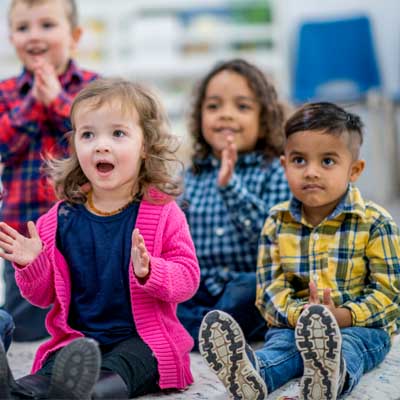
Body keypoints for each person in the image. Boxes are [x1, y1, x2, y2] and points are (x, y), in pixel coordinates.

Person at [0, 78, 200, 399]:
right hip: (78, 341)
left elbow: (188, 279)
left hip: (142, 341)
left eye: (118, 133)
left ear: (145, 145)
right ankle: (15, 391)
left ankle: (85, 393)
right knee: (48, 373)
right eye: (88, 134)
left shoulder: (163, 212)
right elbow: (42, 296)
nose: (100, 145)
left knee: (123, 368)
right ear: (75, 144)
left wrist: (151, 271)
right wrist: (31, 265)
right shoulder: (58, 219)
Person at [198, 102, 400, 399]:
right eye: (299, 161)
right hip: (294, 325)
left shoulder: (375, 222)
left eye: (328, 161)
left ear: (354, 170)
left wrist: (341, 316)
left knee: (352, 346)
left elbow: (390, 294)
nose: (311, 172)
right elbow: (269, 290)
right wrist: (302, 317)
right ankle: (253, 374)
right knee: (282, 348)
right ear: (285, 166)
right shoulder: (276, 222)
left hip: (361, 327)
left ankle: (334, 374)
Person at [0, 0, 98, 342]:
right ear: (12, 38)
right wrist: (33, 105)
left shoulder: (94, 90)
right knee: (25, 321)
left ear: (74, 36)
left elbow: (95, 143)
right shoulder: (6, 93)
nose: (34, 36)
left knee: (85, 315)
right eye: (23, 27)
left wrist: (58, 101)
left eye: (47, 25)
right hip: (21, 232)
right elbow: (3, 146)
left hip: (82, 227)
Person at [177, 58, 291, 349]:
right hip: (201, 287)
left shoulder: (276, 171)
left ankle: (200, 330)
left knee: (254, 291)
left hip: (246, 286)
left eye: (242, 106)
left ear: (264, 119)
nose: (226, 115)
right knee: (161, 295)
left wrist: (231, 188)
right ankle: (206, 329)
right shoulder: (189, 176)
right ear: (199, 116)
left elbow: (273, 239)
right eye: (214, 106)